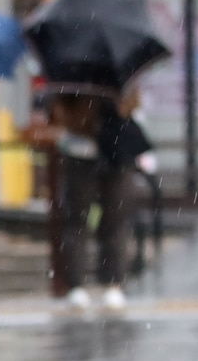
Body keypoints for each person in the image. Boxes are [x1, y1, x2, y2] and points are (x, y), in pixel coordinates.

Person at [51, 87, 151, 312]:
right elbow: (61, 112)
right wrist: (87, 116)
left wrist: (116, 105)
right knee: (77, 220)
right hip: (81, 153)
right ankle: (76, 285)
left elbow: (132, 104)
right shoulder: (73, 80)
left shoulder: (122, 77)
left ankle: (113, 283)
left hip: (117, 154)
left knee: (115, 221)